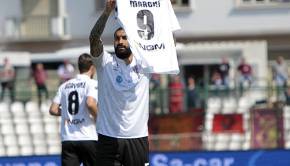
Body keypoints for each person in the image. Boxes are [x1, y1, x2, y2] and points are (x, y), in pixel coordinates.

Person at [89, 0, 179, 165]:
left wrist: (162, 12)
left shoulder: (145, 61)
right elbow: (94, 38)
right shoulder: (104, 62)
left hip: (137, 139)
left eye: (124, 38)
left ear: (132, 39)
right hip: (109, 137)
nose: (120, 42)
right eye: (117, 39)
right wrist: (107, 12)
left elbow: (170, 43)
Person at [49, 54, 98, 166]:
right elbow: (90, 104)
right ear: (92, 67)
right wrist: (99, 117)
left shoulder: (64, 86)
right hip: (88, 136)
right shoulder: (92, 84)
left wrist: (66, 111)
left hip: (68, 138)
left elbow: (53, 109)